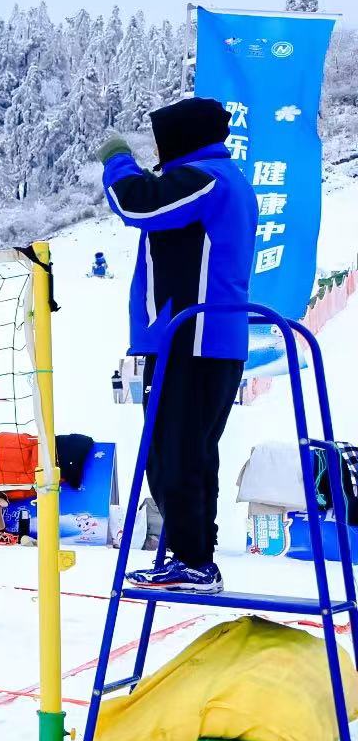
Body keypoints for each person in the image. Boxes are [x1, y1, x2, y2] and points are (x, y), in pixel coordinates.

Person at [102, 101, 253, 592]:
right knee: (181, 451)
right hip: (190, 339)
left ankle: (194, 560)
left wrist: (117, 158)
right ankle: (193, 554)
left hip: (194, 339)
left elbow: (135, 200)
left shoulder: (208, 178)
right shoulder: (210, 179)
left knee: (176, 453)